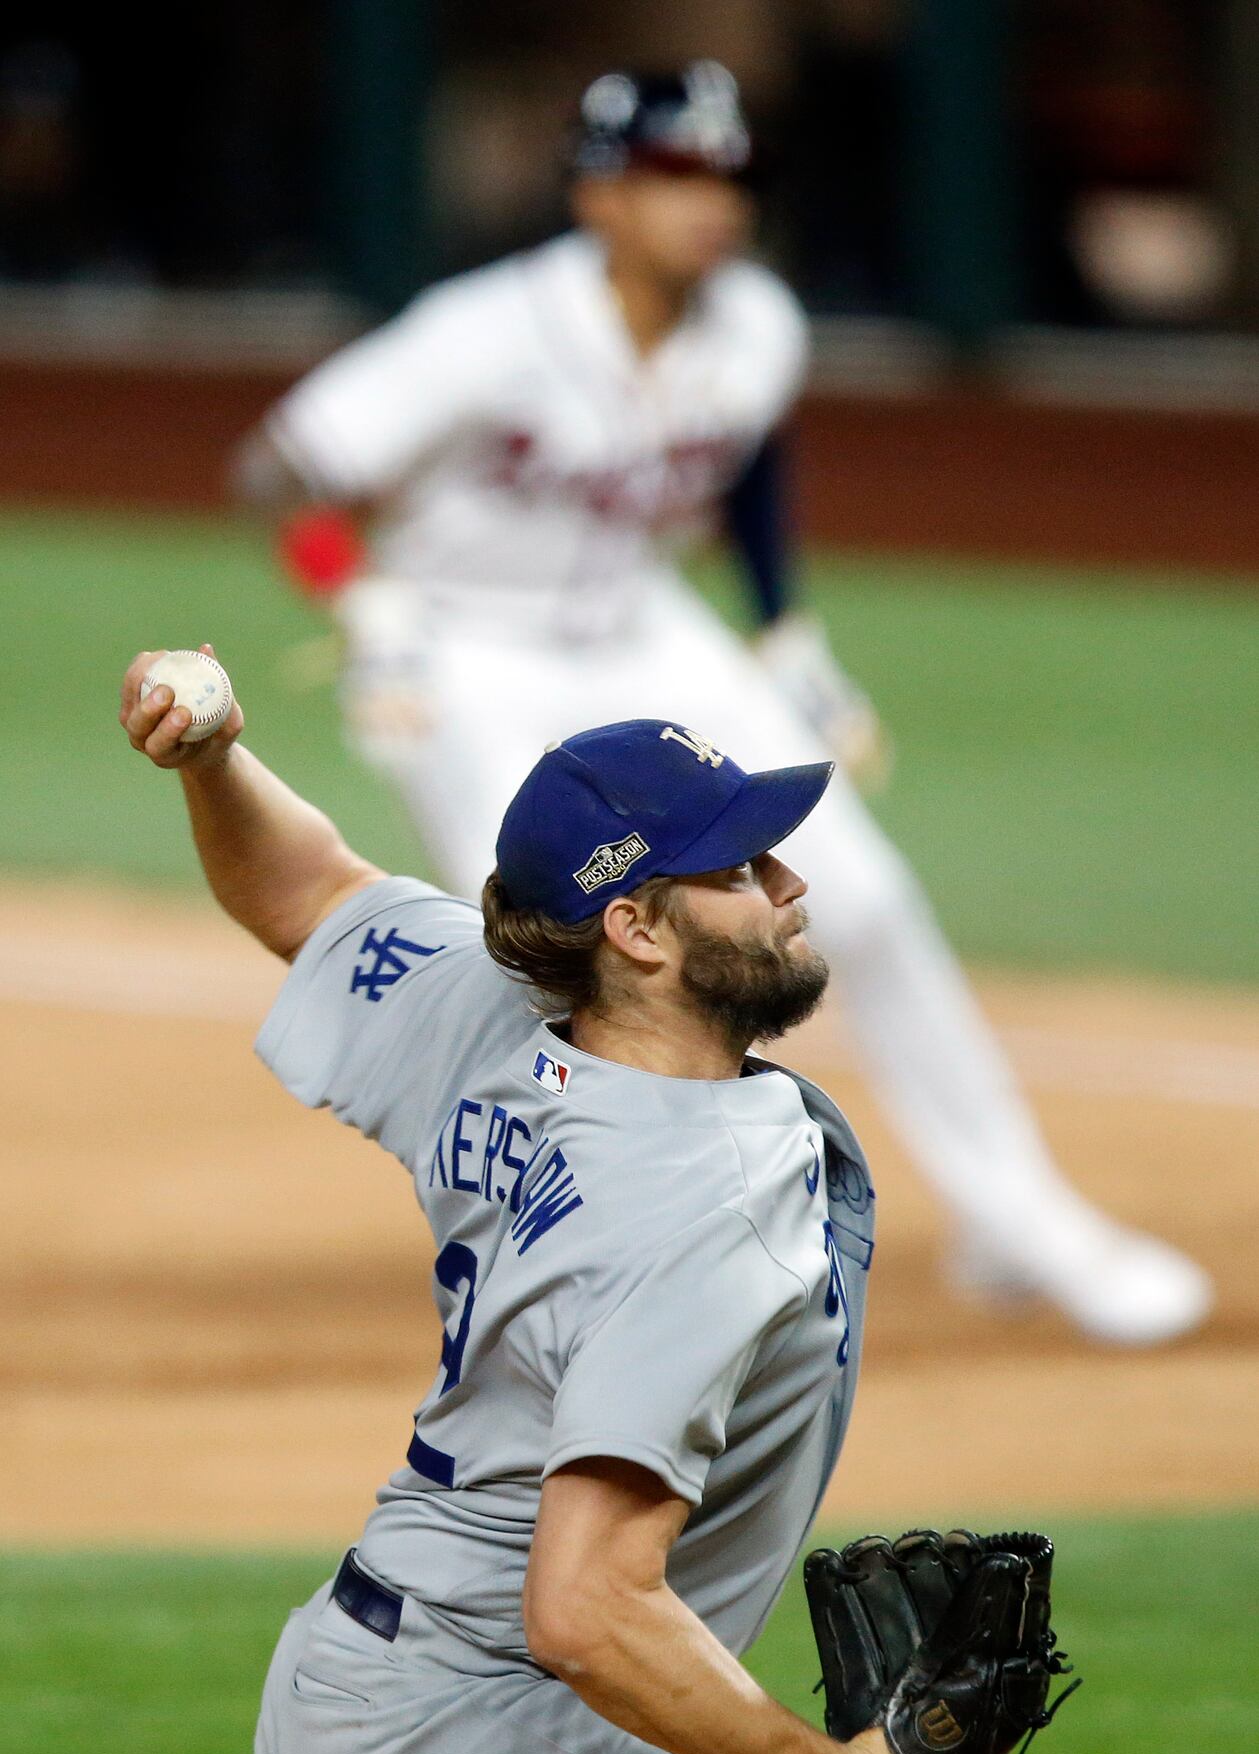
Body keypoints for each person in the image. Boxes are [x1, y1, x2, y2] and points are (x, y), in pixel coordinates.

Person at [234, 62, 1209, 1345]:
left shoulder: (755, 323)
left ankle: (1020, 1220)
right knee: (546, 954)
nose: (712, 203)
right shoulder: (484, 331)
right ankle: (563, 1248)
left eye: (729, 174)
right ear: (598, 197)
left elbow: (743, 470)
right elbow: (282, 471)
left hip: (644, 626)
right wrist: (364, 605)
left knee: (860, 899)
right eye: (675, 174)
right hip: (465, 648)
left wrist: (785, 633)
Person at [121, 651, 951, 1754]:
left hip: (349, 1687)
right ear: (634, 929)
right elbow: (587, 1611)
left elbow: (308, 892)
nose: (789, 881)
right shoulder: (700, 1204)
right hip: (491, 1741)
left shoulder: (493, 1009)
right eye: (736, 868)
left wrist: (214, 758)